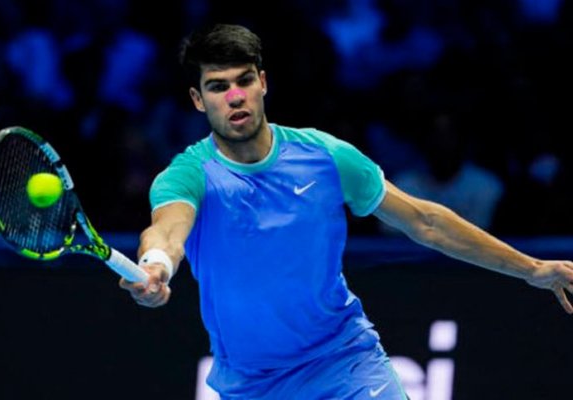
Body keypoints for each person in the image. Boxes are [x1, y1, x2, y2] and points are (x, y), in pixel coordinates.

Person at [119, 23, 573, 399]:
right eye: (218, 87)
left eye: (244, 80)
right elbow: (167, 231)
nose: (235, 96)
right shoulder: (187, 175)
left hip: (345, 362)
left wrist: (532, 269)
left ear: (263, 82)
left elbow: (425, 221)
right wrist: (155, 265)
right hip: (252, 385)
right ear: (198, 100)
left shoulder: (327, 157)